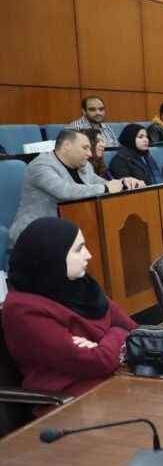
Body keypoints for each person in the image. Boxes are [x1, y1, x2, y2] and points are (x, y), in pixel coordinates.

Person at [2, 217, 137, 414]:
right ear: (52, 256)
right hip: (71, 405)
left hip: (117, 383)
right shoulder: (22, 310)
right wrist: (117, 331)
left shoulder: (84, 286)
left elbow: (135, 331)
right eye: (78, 249)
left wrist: (106, 343)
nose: (88, 255)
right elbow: (96, 362)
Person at [8, 130, 141, 248]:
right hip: (35, 235)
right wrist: (106, 188)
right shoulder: (40, 166)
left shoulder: (84, 166)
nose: (90, 153)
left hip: (70, 230)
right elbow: (65, 191)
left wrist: (124, 183)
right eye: (85, 148)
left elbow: (102, 183)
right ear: (67, 145)